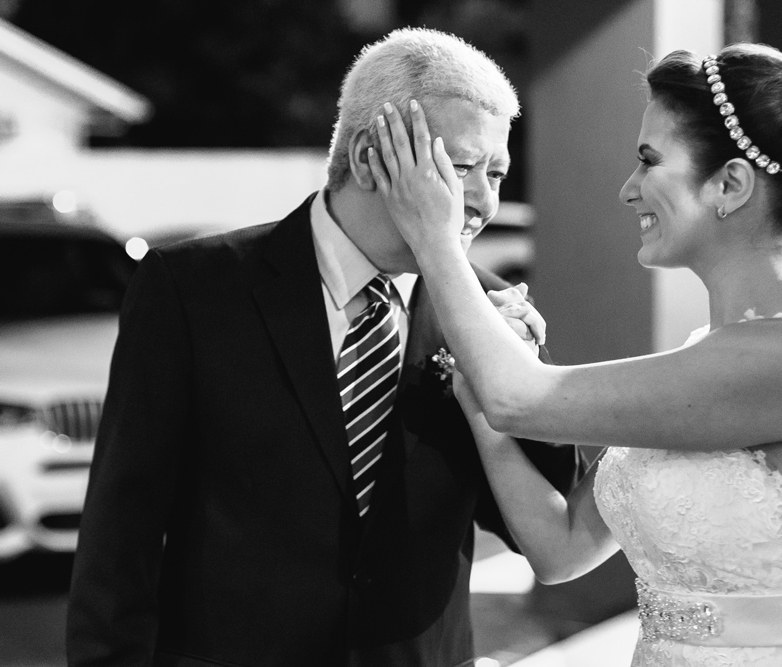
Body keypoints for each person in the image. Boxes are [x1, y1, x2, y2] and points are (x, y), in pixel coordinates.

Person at [368, 42, 782, 666]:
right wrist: (477, 395)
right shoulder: (707, 359)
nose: (627, 190)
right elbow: (559, 551)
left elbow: (521, 397)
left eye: (649, 161)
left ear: (730, 184)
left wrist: (434, 234)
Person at [66, 27, 582, 667]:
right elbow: (124, 530)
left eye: (497, 173)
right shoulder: (191, 291)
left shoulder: (490, 311)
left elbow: (540, 527)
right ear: (370, 157)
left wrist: (516, 377)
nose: (482, 200)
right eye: (462, 167)